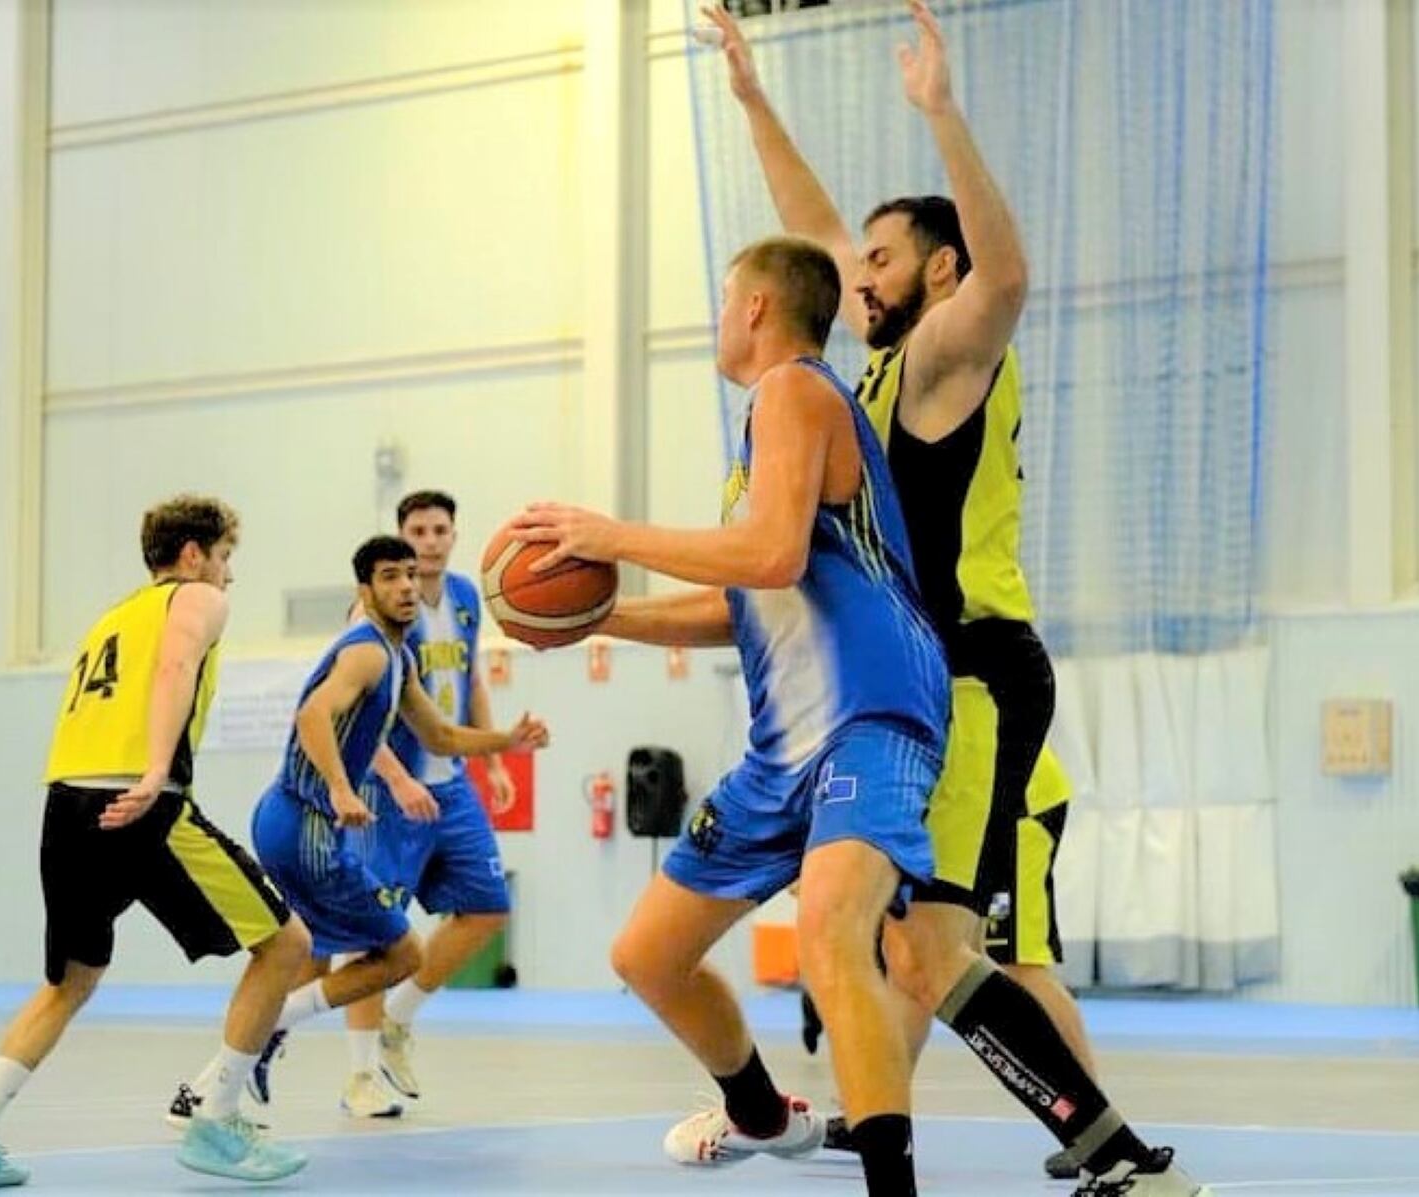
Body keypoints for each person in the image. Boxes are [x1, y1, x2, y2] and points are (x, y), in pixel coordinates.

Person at [701, 4, 1208, 1193]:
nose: (853, 273)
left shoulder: (946, 356)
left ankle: (1108, 1153)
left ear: (935, 270)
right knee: (918, 947)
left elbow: (1010, 271)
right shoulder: (868, 365)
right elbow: (812, 233)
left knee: (936, 946)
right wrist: (752, 101)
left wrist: (941, 113)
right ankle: (1089, 1151)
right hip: (916, 684)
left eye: (879, 259)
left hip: (976, 672)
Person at [511, 234, 948, 1195]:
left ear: (753, 307)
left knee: (832, 931)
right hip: (784, 741)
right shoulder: (765, 431)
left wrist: (610, 534)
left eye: (722, 300)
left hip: (872, 709)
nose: (718, 318)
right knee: (649, 954)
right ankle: (760, 1113)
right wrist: (599, 616)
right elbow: (744, 596)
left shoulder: (793, 389)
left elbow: (772, 555)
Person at [0, 495, 312, 1189]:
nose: (229, 575)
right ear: (193, 554)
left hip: (66, 806)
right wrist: (157, 771)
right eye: (225, 557)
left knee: (68, 982)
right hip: (141, 803)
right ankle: (216, 1120)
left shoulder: (111, 618)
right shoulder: (195, 598)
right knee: (286, 944)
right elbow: (174, 668)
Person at [167, 535, 547, 1124]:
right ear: (363, 591)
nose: (404, 587)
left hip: (289, 818)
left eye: (411, 576)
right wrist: (343, 790)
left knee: (295, 957)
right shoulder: (366, 651)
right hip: (306, 824)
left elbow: (441, 737)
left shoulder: (400, 658)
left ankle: (211, 1087)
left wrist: (506, 741)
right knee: (400, 953)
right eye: (389, 576)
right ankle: (271, 1034)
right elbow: (313, 714)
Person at [338, 489, 528, 1116]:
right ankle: (361, 1076)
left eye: (440, 528)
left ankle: (399, 1019)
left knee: (486, 906)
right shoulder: (375, 609)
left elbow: (471, 679)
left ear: (454, 535)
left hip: (451, 781)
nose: (429, 539)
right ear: (401, 537)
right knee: (372, 934)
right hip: (391, 788)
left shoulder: (469, 598)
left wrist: (494, 760)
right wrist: (393, 777)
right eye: (417, 530)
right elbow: (358, 709)